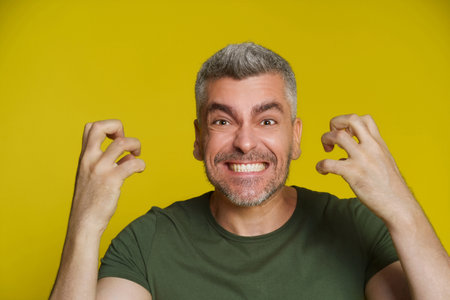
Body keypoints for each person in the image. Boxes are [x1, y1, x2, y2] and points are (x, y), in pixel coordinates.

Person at [50, 43, 450, 300]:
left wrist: (401, 208)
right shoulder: (148, 242)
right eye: (223, 122)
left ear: (296, 138)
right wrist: (84, 224)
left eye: (267, 121)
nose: (244, 142)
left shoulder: (355, 227)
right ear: (198, 138)